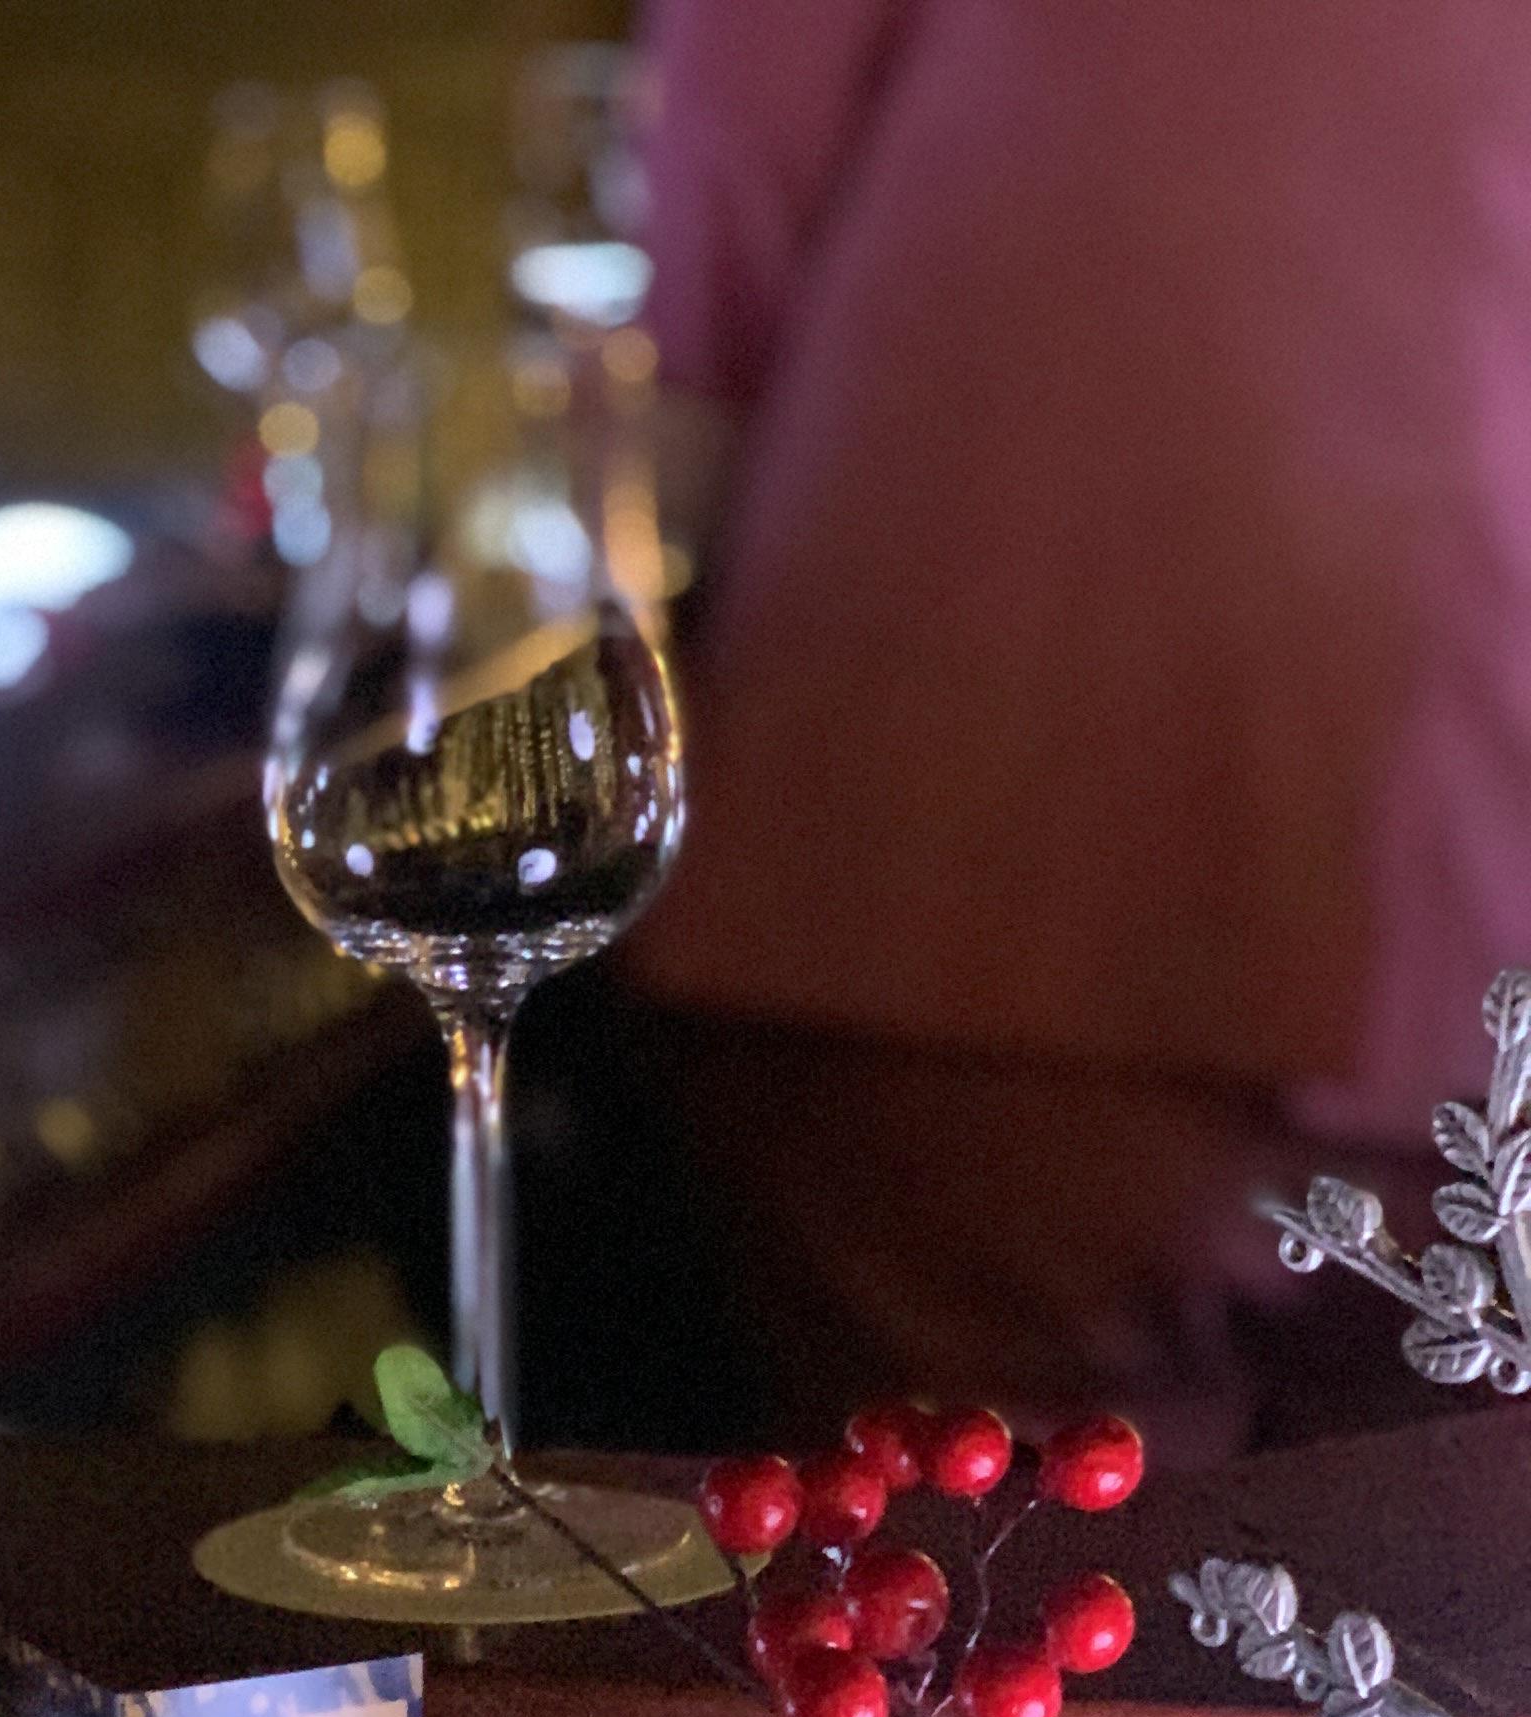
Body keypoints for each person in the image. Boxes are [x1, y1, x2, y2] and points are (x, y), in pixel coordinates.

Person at [618, 0, 1531, 1455]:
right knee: (1439, 1574)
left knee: (987, 1569)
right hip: (1461, 871)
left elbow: (731, 138)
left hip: (964, 838)